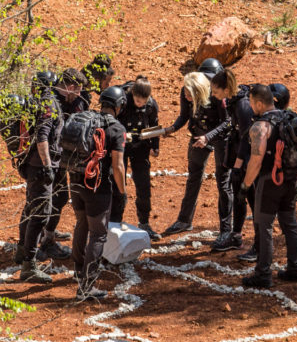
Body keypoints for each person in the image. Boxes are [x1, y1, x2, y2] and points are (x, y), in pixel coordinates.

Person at [65, 85, 128, 301]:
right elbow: (118, 166)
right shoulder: (116, 129)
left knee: (81, 223)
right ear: (119, 106)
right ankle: (86, 286)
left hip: (75, 181)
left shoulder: (87, 119)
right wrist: (122, 190)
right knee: (98, 234)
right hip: (96, 187)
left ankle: (78, 270)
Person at [239, 84, 297, 288]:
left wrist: (245, 185)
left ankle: (263, 274)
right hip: (291, 180)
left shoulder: (260, 127)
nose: (250, 107)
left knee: (264, 226)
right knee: (289, 223)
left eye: (251, 103)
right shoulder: (289, 118)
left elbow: (256, 161)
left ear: (259, 103)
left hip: (269, 182)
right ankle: (296, 268)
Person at [162, 70, 232, 240]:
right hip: (199, 134)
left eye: (190, 94)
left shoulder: (216, 95)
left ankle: (226, 229)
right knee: (194, 175)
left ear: (200, 92)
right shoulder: (185, 92)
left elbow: (227, 122)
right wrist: (172, 128)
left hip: (219, 137)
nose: (186, 96)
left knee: (223, 182)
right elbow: (184, 116)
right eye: (185, 92)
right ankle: (184, 220)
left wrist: (208, 137)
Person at [16, 71, 65, 284]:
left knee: (31, 208)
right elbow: (43, 138)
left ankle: (21, 251)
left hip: (30, 165)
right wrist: (47, 166)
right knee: (40, 215)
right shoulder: (48, 104)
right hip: (39, 167)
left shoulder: (34, 102)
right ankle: (29, 265)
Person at [39, 69, 90, 259]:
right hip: (51, 160)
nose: (78, 95)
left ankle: (47, 232)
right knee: (56, 199)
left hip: (59, 157)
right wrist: (47, 166)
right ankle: (47, 240)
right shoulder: (52, 103)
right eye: (77, 91)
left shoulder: (63, 100)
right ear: (70, 87)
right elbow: (43, 135)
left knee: (55, 198)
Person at [209, 68, 254, 254]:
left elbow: (247, 138)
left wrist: (238, 164)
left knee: (247, 196)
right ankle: (235, 235)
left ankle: (250, 241)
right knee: (238, 195)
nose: (213, 95)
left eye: (215, 91)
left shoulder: (242, 105)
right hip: (239, 153)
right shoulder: (233, 101)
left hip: (248, 159)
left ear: (226, 89)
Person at [111, 75, 161, 241]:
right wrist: (124, 137)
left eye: (143, 101)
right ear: (132, 95)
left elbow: (154, 125)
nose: (140, 104)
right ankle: (115, 223)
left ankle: (144, 222)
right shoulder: (123, 103)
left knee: (143, 184)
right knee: (118, 183)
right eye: (137, 100)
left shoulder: (151, 105)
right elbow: (112, 123)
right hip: (121, 147)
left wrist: (155, 146)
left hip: (141, 147)